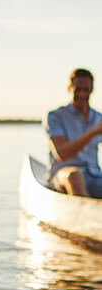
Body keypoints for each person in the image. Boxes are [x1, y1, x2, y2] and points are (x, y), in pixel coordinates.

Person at [44, 67, 102, 197]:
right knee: (75, 175)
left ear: (92, 90)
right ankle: (86, 215)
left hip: (95, 176)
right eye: (78, 90)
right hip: (63, 175)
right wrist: (93, 132)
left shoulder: (98, 117)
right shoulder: (56, 116)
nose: (82, 94)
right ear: (69, 88)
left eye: (86, 90)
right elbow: (62, 153)